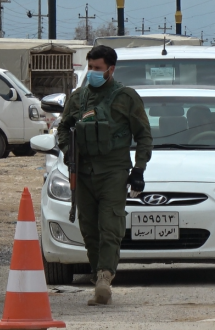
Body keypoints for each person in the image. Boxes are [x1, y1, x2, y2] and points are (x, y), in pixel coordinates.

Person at [56, 45, 153, 306]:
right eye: (90, 67)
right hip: (84, 172)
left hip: (113, 171)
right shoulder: (77, 98)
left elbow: (144, 135)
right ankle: (97, 274)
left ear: (111, 69)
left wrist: (139, 170)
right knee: (89, 229)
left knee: (110, 225)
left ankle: (104, 277)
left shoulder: (126, 97)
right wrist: (68, 153)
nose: (93, 73)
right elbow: (63, 130)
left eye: (98, 68)